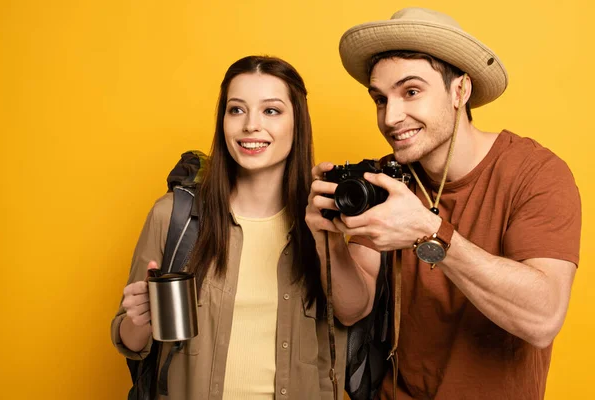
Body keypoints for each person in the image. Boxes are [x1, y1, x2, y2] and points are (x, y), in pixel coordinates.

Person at [305, 7, 581, 400]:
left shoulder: (536, 174)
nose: (391, 117)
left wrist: (429, 232)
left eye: (411, 91)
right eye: (380, 99)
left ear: (460, 91)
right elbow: (354, 307)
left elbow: (543, 317)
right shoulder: (387, 178)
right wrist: (329, 239)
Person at [111, 55, 347, 400]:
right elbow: (131, 343)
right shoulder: (173, 216)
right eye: (236, 110)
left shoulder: (325, 223)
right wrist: (139, 318)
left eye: (271, 111)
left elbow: (345, 332)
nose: (251, 125)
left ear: (298, 122)